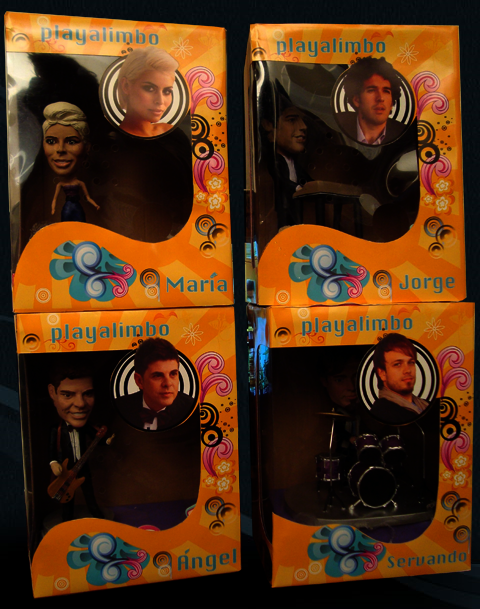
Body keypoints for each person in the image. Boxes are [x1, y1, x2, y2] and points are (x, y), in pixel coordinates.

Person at [48, 363, 112, 521]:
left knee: (90, 495)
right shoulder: (57, 430)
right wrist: (53, 462)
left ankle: (98, 517)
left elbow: (96, 437)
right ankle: (67, 520)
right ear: (52, 393)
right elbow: (51, 449)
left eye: (88, 393)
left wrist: (107, 440)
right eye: (67, 395)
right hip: (65, 472)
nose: (81, 404)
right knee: (67, 500)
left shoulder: (86, 427)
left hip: (83, 470)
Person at [260, 80, 311, 228]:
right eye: (292, 120)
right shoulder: (274, 162)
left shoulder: (295, 163)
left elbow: (307, 179)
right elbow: (280, 179)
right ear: (268, 125)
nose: (304, 126)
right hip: (280, 218)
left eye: (303, 120)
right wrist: (297, 188)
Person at [115, 338, 196, 431]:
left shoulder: (193, 410)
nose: (168, 383)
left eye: (173, 374)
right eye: (158, 376)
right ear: (139, 381)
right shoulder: (119, 408)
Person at [43, 102, 100, 221]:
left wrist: (95, 205)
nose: (60, 149)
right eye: (51, 141)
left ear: (87, 148)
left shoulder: (80, 183)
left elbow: (88, 197)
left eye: (71, 142)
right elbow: (54, 199)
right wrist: (53, 209)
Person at [335, 57, 405, 146]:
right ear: (356, 100)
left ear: (391, 102)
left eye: (386, 91)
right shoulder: (337, 127)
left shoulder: (406, 136)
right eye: (371, 90)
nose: (380, 98)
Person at [117, 47, 178, 138]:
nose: (160, 101)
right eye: (150, 89)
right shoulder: (113, 140)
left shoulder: (171, 132)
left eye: (167, 91)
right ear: (126, 86)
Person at [371, 333, 429, 424]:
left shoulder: (426, 405)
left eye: (411, 362)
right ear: (382, 373)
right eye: (397, 364)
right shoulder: (382, 414)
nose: (407, 370)